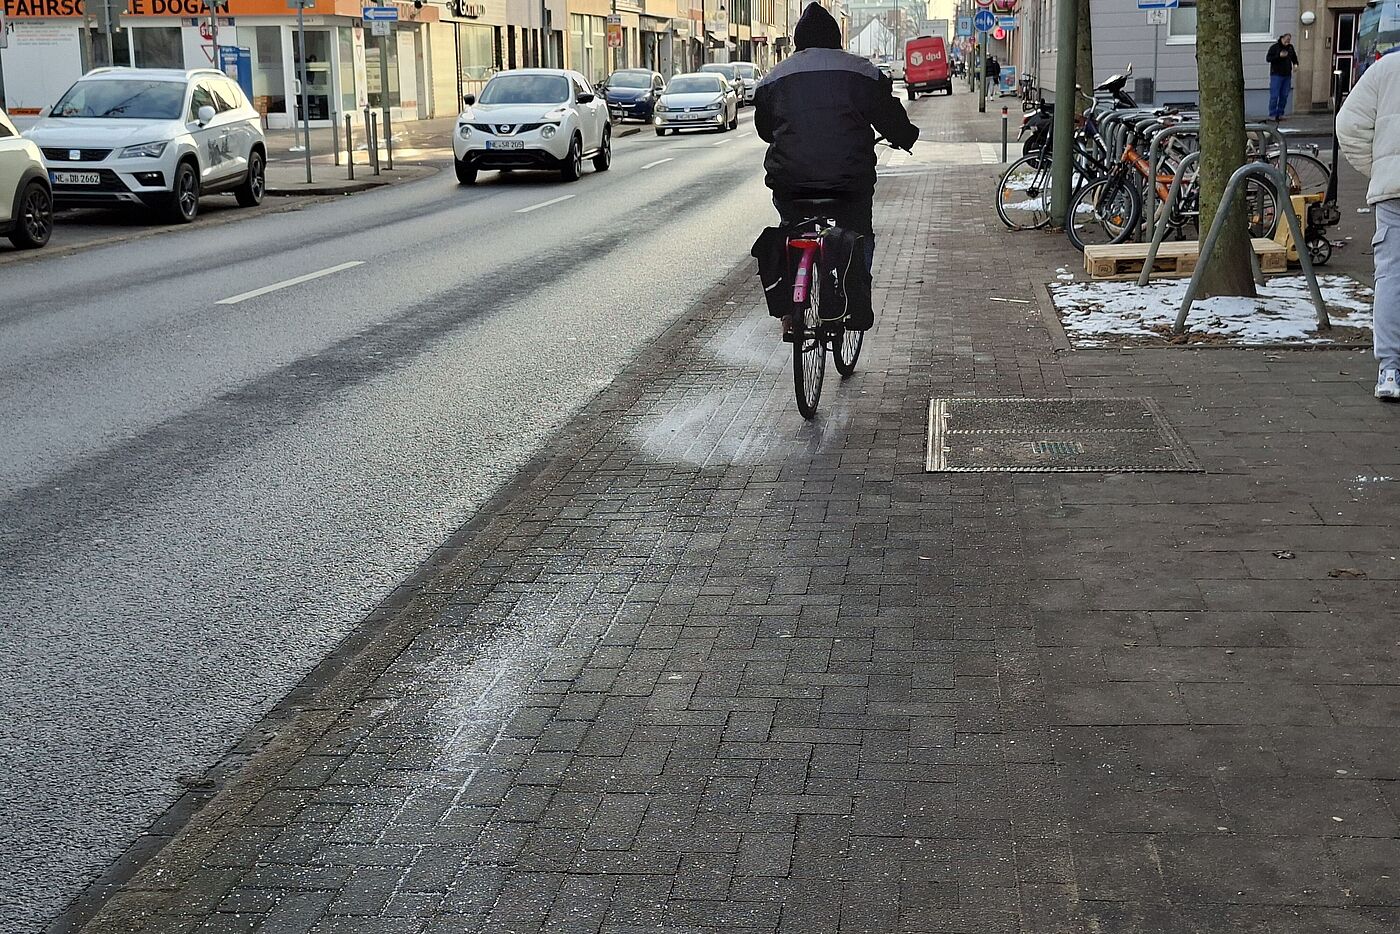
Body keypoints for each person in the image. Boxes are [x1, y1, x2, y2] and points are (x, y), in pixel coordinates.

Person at [753, 2, 918, 286]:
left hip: (792, 185)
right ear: (836, 38)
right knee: (858, 230)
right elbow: (889, 116)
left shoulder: (775, 78)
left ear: (798, 41)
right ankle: (856, 294)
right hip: (848, 184)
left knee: (791, 227)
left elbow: (765, 130)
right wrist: (905, 136)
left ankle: (791, 308)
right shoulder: (862, 72)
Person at [1338, 46, 1400, 400]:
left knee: (1391, 275)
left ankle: (1390, 368)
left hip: (1392, 189)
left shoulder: (1384, 69)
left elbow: (1348, 124)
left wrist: (1376, 168)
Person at [1265, 34, 1298, 122]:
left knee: (1284, 95)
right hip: (1276, 74)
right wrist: (1279, 56)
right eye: (1286, 40)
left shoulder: (1290, 48)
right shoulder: (1275, 47)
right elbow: (1268, 58)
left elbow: (1294, 57)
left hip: (1287, 75)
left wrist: (1295, 64)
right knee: (1274, 95)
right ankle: (1272, 114)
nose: (1287, 42)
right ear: (1282, 38)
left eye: (1289, 40)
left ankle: (1280, 113)